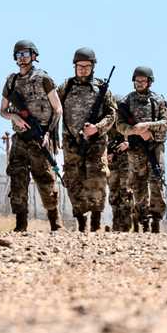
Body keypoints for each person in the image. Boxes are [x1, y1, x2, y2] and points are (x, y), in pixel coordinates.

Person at [0, 40, 64, 232]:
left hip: (40, 137)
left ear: (34, 55)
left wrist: (48, 133)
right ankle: (21, 223)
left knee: (45, 180)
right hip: (20, 138)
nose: (22, 58)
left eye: (26, 54)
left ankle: (55, 222)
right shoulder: (11, 81)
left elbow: (58, 109)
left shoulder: (44, 79)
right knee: (17, 179)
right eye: (19, 55)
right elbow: (2, 110)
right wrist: (14, 116)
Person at [58, 47, 116, 231]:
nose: (83, 69)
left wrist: (96, 128)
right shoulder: (65, 87)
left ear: (93, 67)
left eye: (87, 66)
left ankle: (96, 222)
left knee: (97, 179)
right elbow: (54, 109)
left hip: (96, 143)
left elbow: (112, 115)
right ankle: (81, 221)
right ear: (74, 66)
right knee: (73, 180)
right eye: (79, 66)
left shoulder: (102, 89)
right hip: (71, 142)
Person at [114, 66, 167, 232]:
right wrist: (134, 131)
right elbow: (119, 126)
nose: (140, 83)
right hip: (136, 148)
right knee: (138, 184)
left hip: (154, 146)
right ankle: (143, 220)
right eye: (137, 80)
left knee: (156, 181)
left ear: (149, 82)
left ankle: (156, 219)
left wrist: (148, 127)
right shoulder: (126, 101)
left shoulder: (158, 100)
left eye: (143, 81)